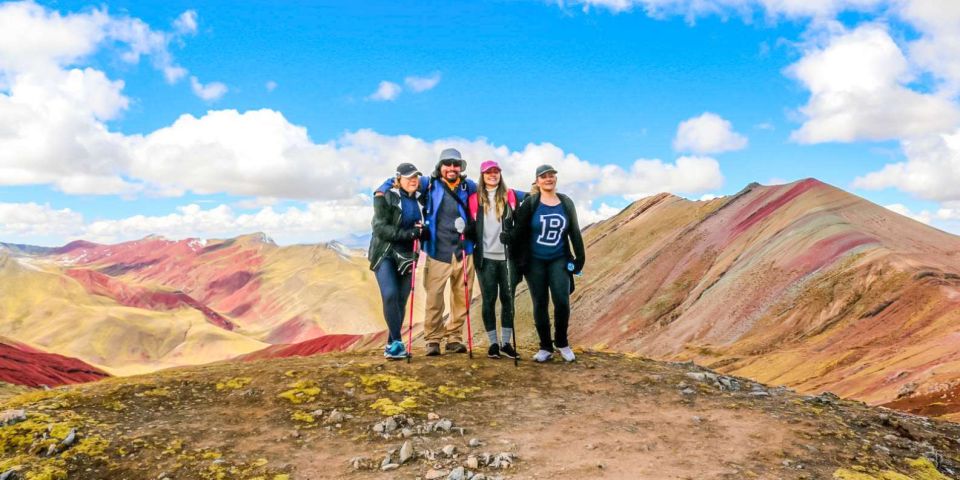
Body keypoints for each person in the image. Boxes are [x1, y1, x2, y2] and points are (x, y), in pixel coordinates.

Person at [375, 148, 478, 356]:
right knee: (434, 298)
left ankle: (454, 337)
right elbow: (402, 179)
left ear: (460, 167)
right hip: (437, 250)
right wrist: (381, 191)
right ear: (440, 166)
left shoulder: (469, 186)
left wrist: (533, 192)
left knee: (461, 297)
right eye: (447, 164)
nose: (451, 168)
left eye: (455, 164)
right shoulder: (428, 183)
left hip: (464, 250)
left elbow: (496, 189)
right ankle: (433, 339)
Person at [510, 164, 585, 363]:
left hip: (559, 259)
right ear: (537, 181)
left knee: (562, 300)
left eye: (551, 175)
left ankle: (562, 342)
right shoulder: (531, 203)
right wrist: (512, 253)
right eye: (544, 176)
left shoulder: (566, 203)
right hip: (534, 262)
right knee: (540, 302)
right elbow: (518, 232)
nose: (548, 179)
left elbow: (574, 232)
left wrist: (580, 259)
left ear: (555, 179)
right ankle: (545, 347)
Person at [467, 160, 525, 359]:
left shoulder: (511, 196)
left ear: (500, 174)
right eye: (488, 172)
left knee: (508, 300)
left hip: (507, 257)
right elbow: (473, 229)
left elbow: (520, 222)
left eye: (496, 172)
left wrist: (513, 235)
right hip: (485, 258)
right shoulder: (474, 199)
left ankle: (506, 343)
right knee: (489, 300)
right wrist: (463, 230)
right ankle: (493, 344)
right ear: (482, 176)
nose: (493, 175)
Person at [368, 163, 425, 360]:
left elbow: (422, 231)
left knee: (401, 300)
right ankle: (398, 342)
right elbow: (380, 228)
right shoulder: (389, 197)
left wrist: (422, 232)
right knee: (390, 295)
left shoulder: (420, 201)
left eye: (416, 176)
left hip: (407, 257)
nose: (413, 180)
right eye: (408, 177)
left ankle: (391, 344)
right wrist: (409, 233)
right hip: (385, 254)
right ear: (398, 179)